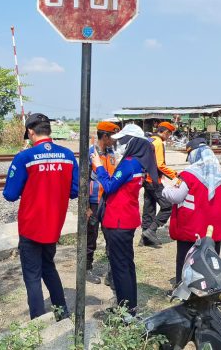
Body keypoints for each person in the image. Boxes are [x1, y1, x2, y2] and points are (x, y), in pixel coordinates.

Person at [3, 113, 78, 320]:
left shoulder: (24, 157)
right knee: (49, 267)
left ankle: (37, 320)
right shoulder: (68, 155)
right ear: (49, 131)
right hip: (54, 226)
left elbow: (9, 194)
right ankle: (62, 312)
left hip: (30, 227)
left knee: (32, 275)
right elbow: (74, 190)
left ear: (30, 132)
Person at [92, 124, 159, 316]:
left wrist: (98, 167)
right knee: (126, 264)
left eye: (122, 141)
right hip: (126, 219)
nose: (117, 143)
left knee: (120, 265)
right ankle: (129, 306)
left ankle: (127, 312)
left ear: (132, 143)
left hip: (118, 221)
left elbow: (110, 186)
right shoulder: (139, 162)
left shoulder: (130, 162)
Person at [162, 138, 221, 286]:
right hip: (214, 231)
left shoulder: (188, 175)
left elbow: (176, 196)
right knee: (210, 259)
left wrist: (166, 188)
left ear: (194, 155)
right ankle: (209, 286)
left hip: (191, 229)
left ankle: (184, 289)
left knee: (186, 259)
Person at [85, 121, 120, 285]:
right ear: (105, 136)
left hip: (109, 202)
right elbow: (83, 180)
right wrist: (85, 207)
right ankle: (86, 269)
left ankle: (112, 273)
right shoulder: (91, 153)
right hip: (93, 203)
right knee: (90, 237)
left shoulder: (112, 152)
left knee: (111, 237)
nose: (115, 141)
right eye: (113, 137)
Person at [141, 121, 178, 245]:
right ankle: (151, 230)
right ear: (166, 132)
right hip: (154, 181)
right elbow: (160, 165)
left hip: (146, 179)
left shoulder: (149, 140)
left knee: (149, 208)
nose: (169, 137)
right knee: (167, 206)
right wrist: (174, 175)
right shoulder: (158, 143)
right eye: (169, 134)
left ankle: (145, 239)